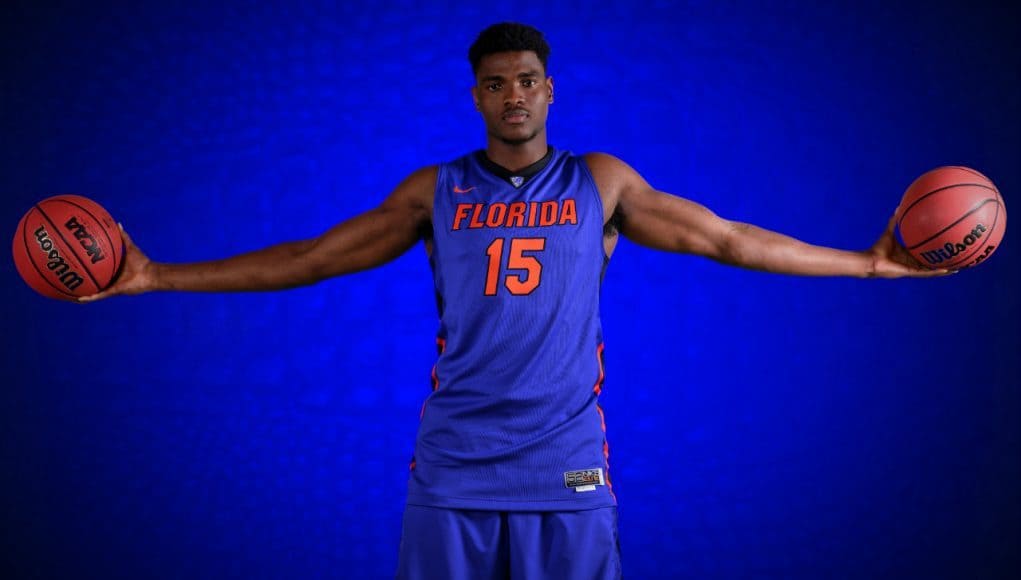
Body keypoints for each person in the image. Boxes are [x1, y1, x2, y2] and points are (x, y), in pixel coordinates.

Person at [83, 21, 946, 580]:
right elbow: (310, 260)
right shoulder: (435, 190)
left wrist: (867, 266)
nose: (513, 94)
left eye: (526, 79)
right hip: (454, 466)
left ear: (549, 89)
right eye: (495, 83)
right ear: (477, 96)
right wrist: (156, 274)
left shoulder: (599, 183)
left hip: (566, 466)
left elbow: (725, 238)